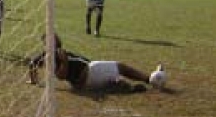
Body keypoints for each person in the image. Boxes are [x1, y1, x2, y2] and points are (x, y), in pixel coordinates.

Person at [28, 34, 165, 92]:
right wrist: (64, 61)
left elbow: (32, 64)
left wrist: (33, 80)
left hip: (82, 82)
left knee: (113, 80)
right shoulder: (56, 55)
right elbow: (61, 76)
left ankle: (121, 87)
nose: (58, 39)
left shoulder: (45, 55)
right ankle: (151, 79)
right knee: (120, 67)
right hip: (90, 71)